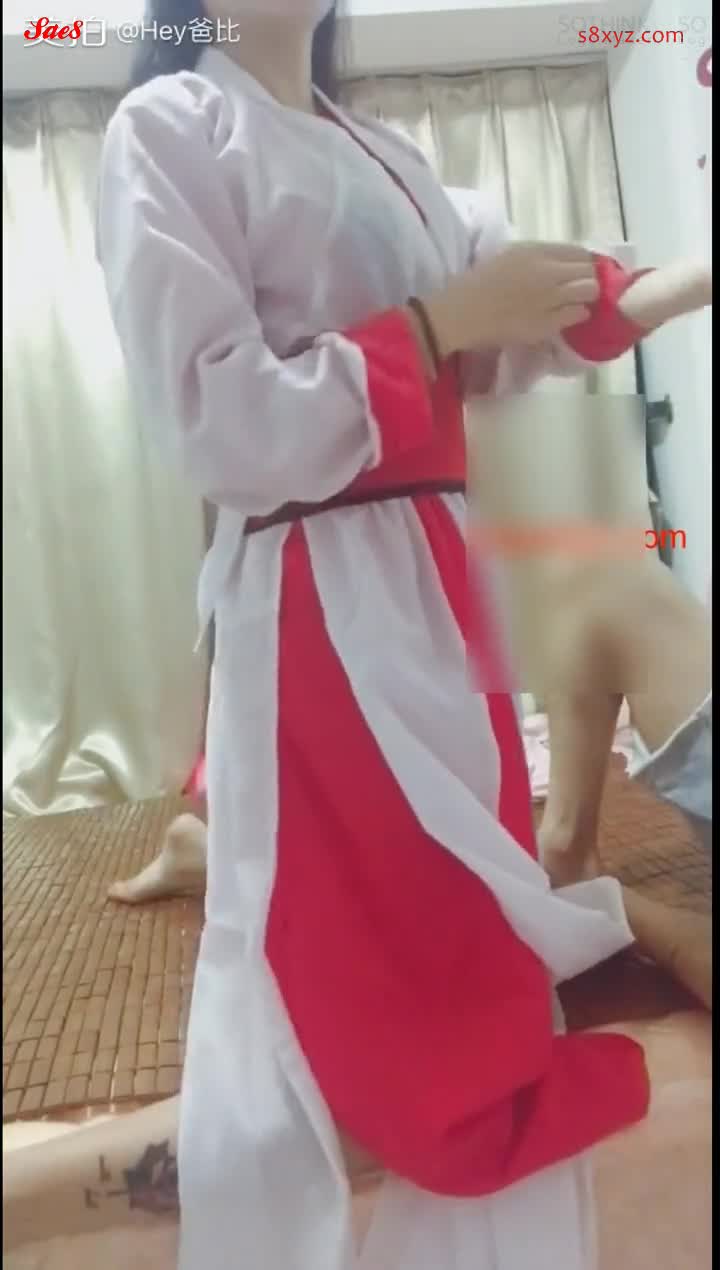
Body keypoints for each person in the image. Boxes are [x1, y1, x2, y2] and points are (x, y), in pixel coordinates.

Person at [94, 3, 711, 1267]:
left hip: (434, 559)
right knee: (375, 916)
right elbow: (218, 418)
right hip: (315, 573)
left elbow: (542, 306)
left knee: (466, 863)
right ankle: (239, 864)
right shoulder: (171, 128)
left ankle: (217, 843)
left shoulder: (392, 160)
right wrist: (435, 325)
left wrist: (683, 279)